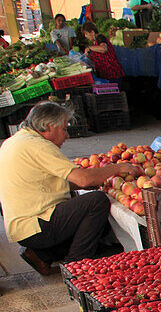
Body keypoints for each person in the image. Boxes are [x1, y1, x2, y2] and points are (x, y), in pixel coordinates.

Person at [0, 102, 141, 274]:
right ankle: (76, 264)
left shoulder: (16, 140)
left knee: (100, 225)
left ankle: (43, 254)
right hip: (37, 225)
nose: (66, 136)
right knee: (97, 202)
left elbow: (49, 181)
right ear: (49, 126)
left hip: (23, 226)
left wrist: (93, 181)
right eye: (63, 129)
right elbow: (83, 179)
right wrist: (118, 168)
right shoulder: (38, 146)